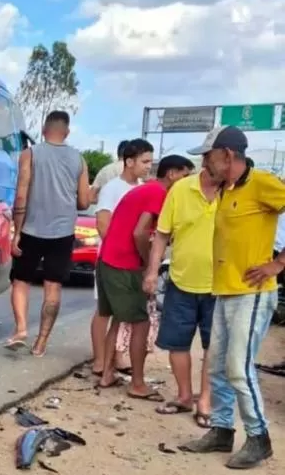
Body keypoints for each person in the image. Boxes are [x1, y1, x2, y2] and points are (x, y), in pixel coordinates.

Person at [180, 126, 285, 468]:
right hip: (224, 292)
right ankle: (222, 431)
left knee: (238, 368)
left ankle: (259, 438)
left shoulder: (263, 184)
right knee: (218, 368)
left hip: (251, 294)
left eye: (207, 157)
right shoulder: (225, 191)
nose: (203, 163)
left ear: (227, 155)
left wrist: (278, 263)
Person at [96, 154, 193, 397]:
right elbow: (140, 232)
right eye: (185, 175)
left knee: (118, 319)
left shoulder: (145, 190)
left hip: (108, 260)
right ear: (172, 174)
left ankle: (108, 374)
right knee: (141, 322)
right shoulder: (158, 194)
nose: (187, 181)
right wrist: (147, 259)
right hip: (124, 264)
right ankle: (137, 384)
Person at [143, 156, 221, 428]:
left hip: (222, 286)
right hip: (180, 280)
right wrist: (152, 272)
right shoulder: (181, 189)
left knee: (215, 345)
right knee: (177, 343)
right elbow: (162, 234)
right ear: (208, 159)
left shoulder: (236, 191)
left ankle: (206, 401)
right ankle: (185, 396)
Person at [7, 110, 89, 356]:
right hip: (63, 233)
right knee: (53, 287)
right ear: (67, 132)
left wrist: (17, 232)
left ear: (44, 130)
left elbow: (21, 194)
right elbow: (84, 202)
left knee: (20, 280)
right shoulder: (80, 160)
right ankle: (41, 343)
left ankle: (21, 329)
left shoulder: (30, 154)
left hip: (31, 229)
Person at [90, 138, 154, 376]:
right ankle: (99, 360)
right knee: (104, 311)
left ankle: (114, 358)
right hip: (111, 260)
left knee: (121, 312)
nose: (149, 166)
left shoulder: (140, 189)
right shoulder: (112, 188)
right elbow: (102, 224)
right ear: (129, 161)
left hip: (131, 261)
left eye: (151, 162)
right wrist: (117, 253)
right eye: (145, 161)